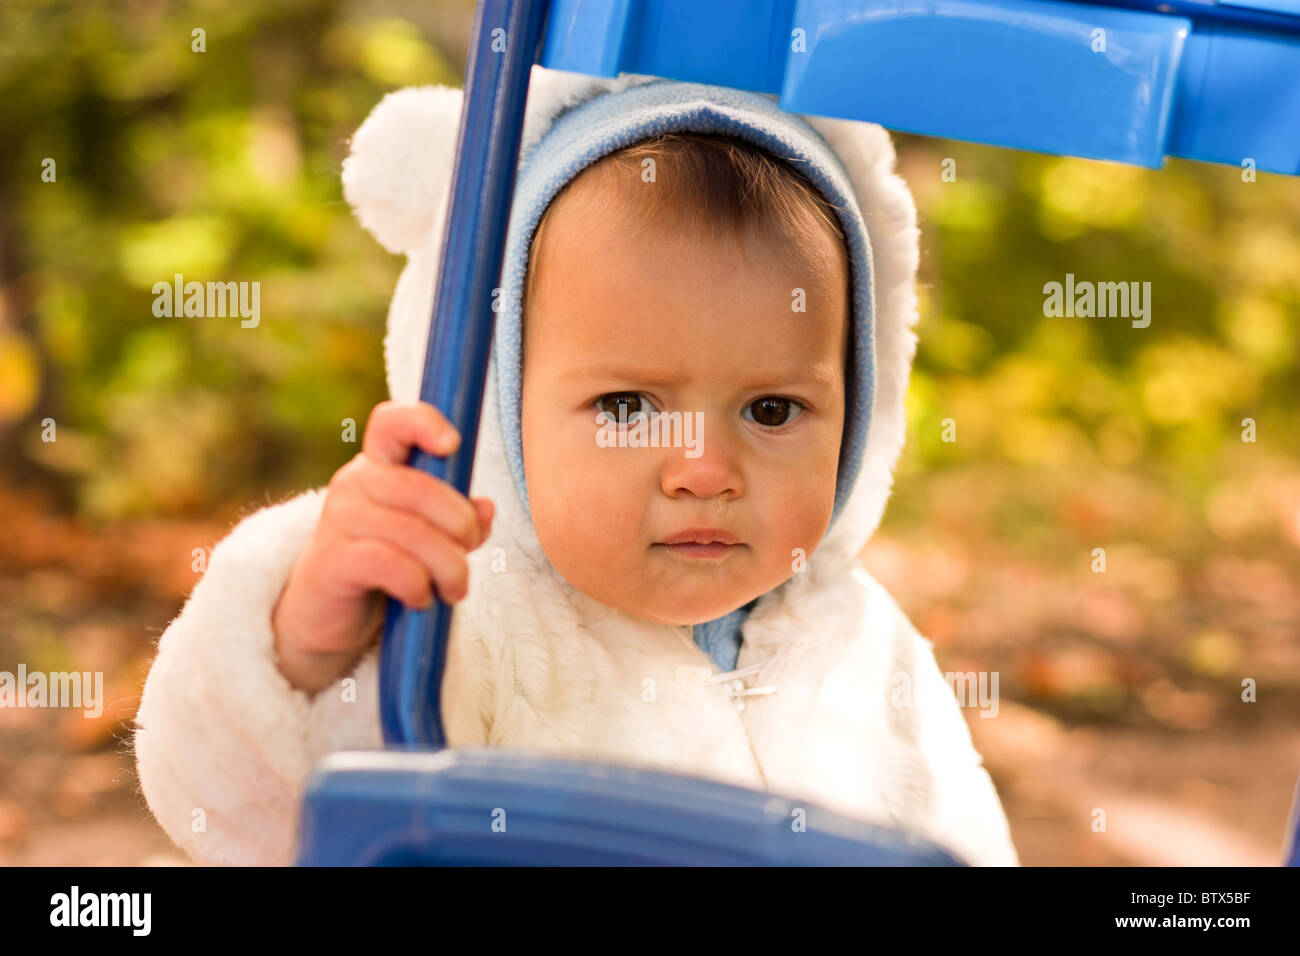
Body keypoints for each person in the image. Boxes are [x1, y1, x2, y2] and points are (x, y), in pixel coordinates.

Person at [132, 65, 1020, 867]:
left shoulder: (871, 645)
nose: (705, 470)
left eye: (772, 409)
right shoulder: (458, 618)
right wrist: (309, 648)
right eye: (628, 407)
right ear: (500, 409)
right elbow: (248, 811)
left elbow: (961, 840)